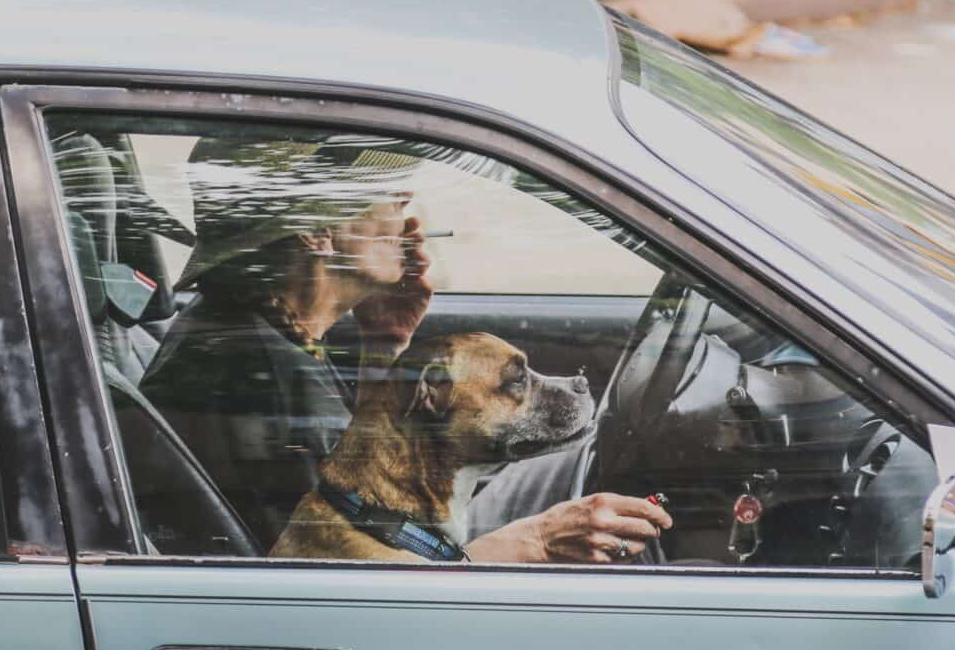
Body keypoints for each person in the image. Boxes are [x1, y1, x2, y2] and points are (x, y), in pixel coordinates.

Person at [138, 131, 671, 563]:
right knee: (600, 473)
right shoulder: (254, 379)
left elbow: (367, 488)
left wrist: (384, 343)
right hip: (408, 580)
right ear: (319, 233)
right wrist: (531, 543)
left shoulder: (257, 334)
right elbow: (331, 564)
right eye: (386, 192)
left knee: (580, 461)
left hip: (417, 542)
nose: (405, 204)